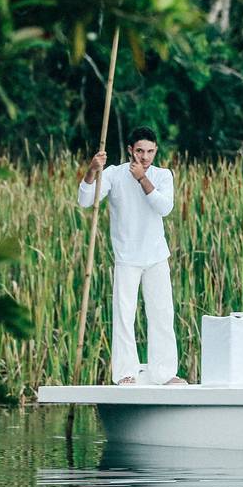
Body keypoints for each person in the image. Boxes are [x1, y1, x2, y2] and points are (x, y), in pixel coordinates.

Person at [78, 126, 186, 385]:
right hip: (126, 256)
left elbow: (164, 207)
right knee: (124, 314)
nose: (145, 157)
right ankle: (126, 372)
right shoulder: (114, 174)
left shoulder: (162, 175)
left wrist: (142, 180)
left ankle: (164, 373)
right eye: (140, 151)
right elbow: (85, 200)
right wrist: (92, 170)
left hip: (156, 255)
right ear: (130, 150)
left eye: (150, 151)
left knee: (162, 313)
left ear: (156, 151)